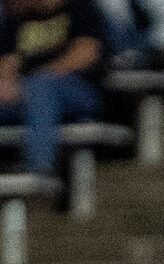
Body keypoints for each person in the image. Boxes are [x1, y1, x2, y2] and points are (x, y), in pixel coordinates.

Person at [0, 0, 107, 180]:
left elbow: (87, 52)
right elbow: (8, 63)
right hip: (29, 97)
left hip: (78, 91)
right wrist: (7, 83)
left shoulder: (81, 8)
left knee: (41, 87)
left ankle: (39, 170)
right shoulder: (18, 19)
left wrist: (36, 80)